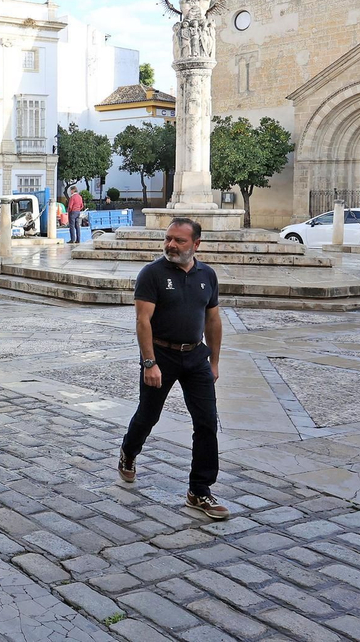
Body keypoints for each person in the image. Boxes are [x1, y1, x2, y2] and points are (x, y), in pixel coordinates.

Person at [116, 217, 230, 520]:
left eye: (179, 240)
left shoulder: (208, 275)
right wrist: (149, 363)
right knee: (148, 414)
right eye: (168, 238)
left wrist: (214, 362)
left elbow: (213, 319)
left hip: (196, 358)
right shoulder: (152, 273)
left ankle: (199, 490)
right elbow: (143, 321)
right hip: (161, 356)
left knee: (207, 422)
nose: (171, 245)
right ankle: (129, 451)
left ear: (196, 244)